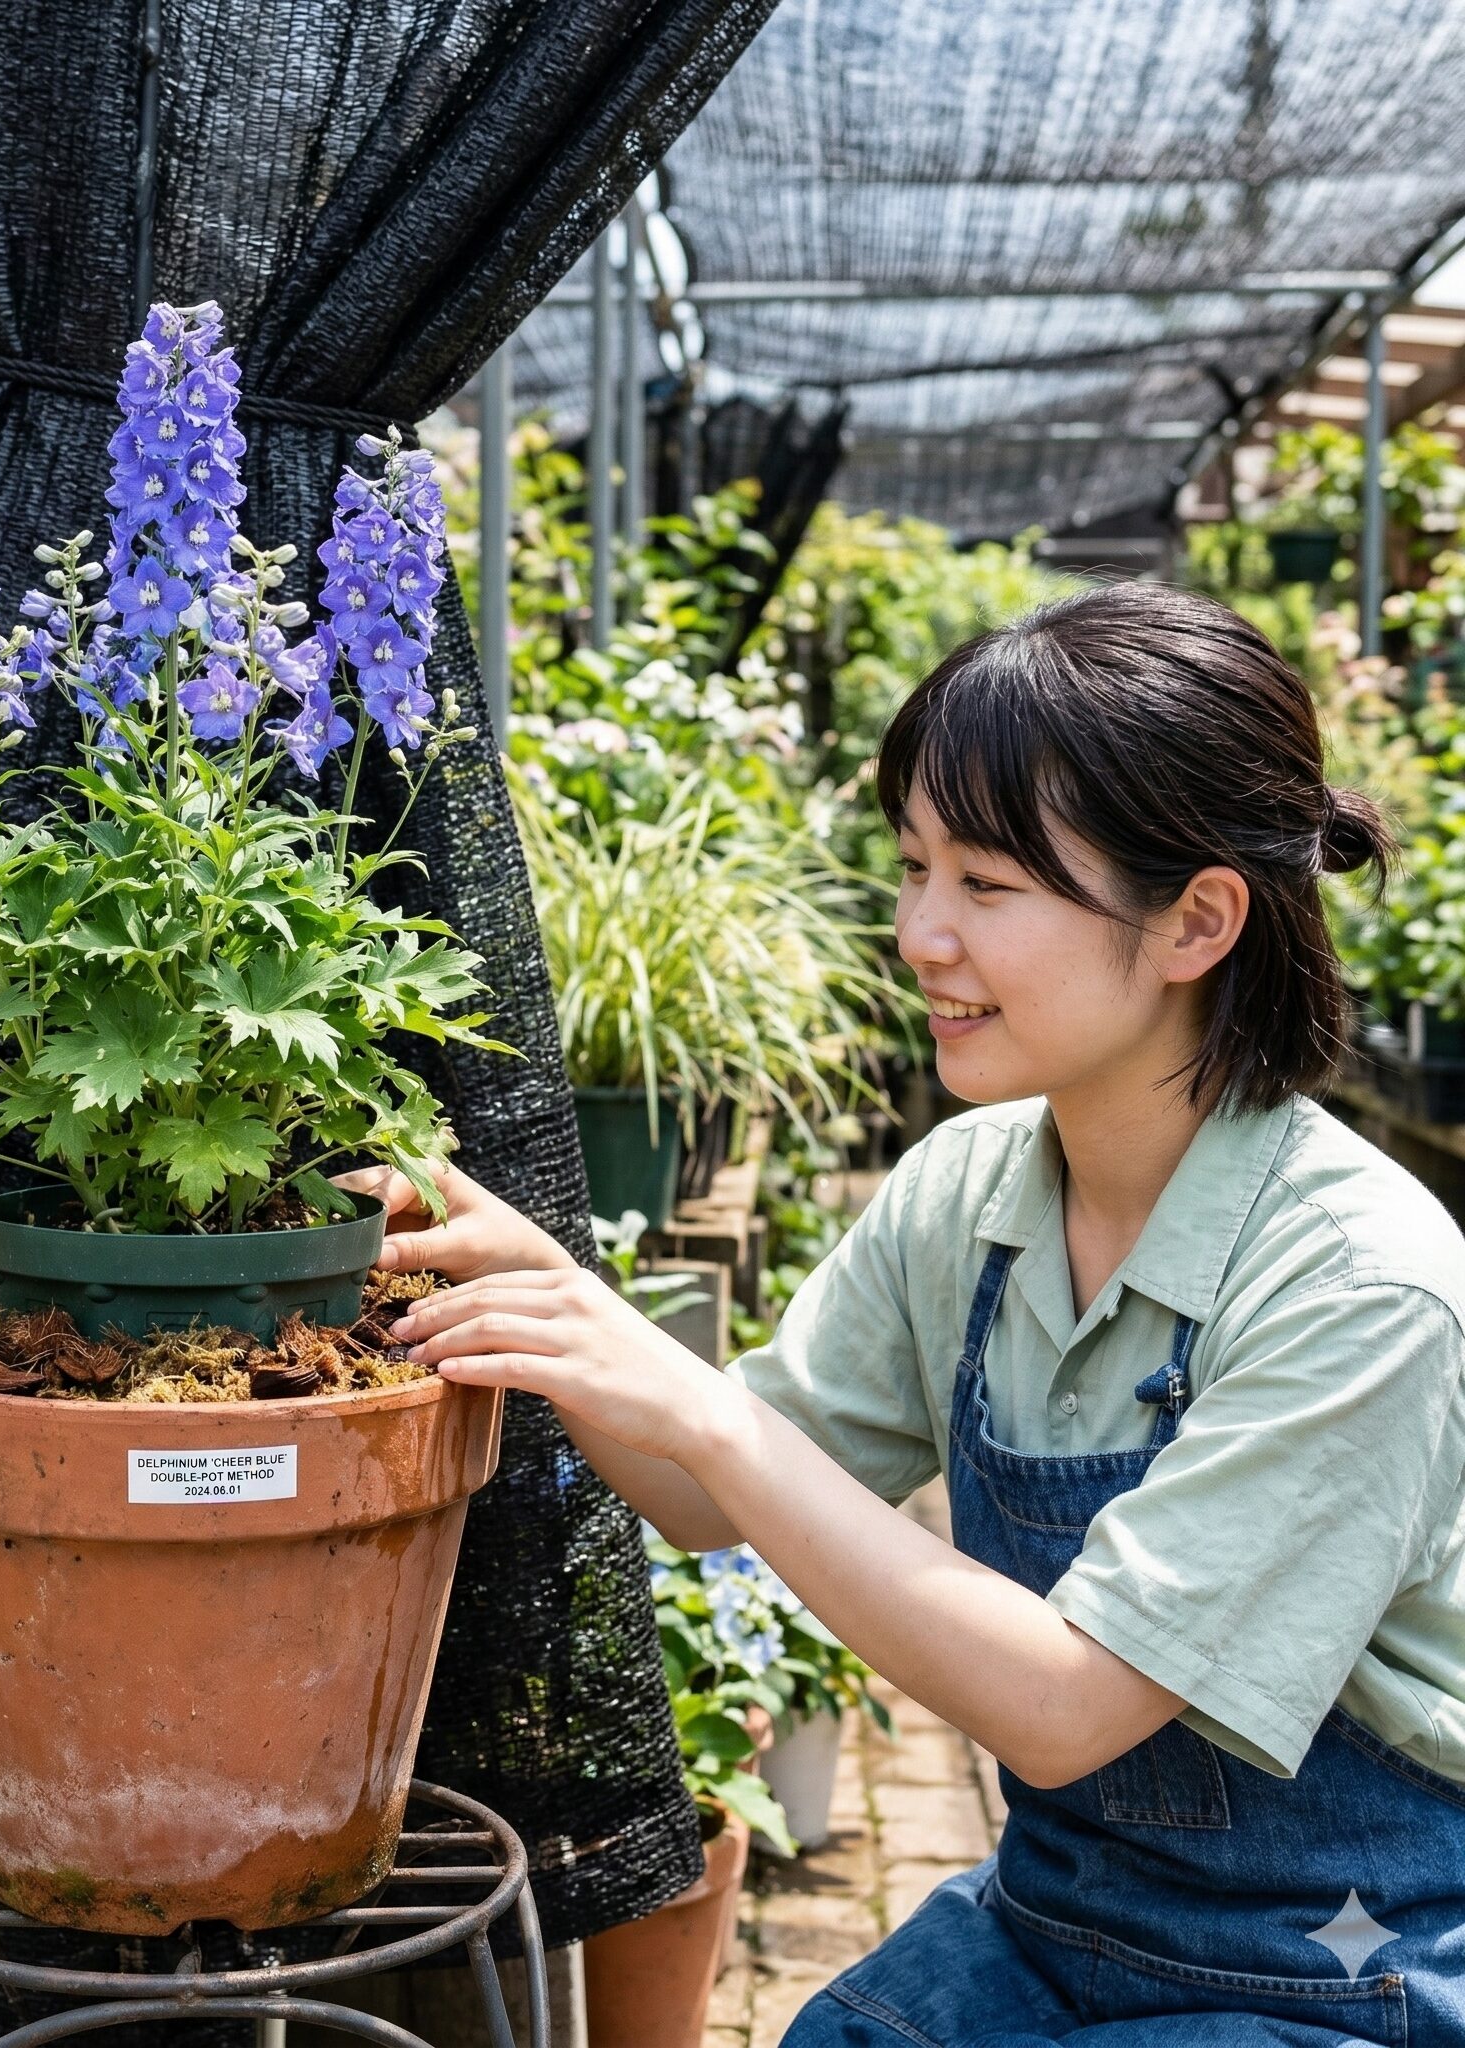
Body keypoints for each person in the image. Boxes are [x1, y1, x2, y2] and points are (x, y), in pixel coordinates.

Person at [343, 583, 1465, 2045]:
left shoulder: (1356, 1284)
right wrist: (549, 1306)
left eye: (989, 885)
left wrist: (706, 1410)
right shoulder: (971, 1189)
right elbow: (695, 1496)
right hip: (1061, 1926)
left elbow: (1068, 1706)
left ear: (1198, 918)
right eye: (915, 867)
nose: (921, 933)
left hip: (1344, 1985)